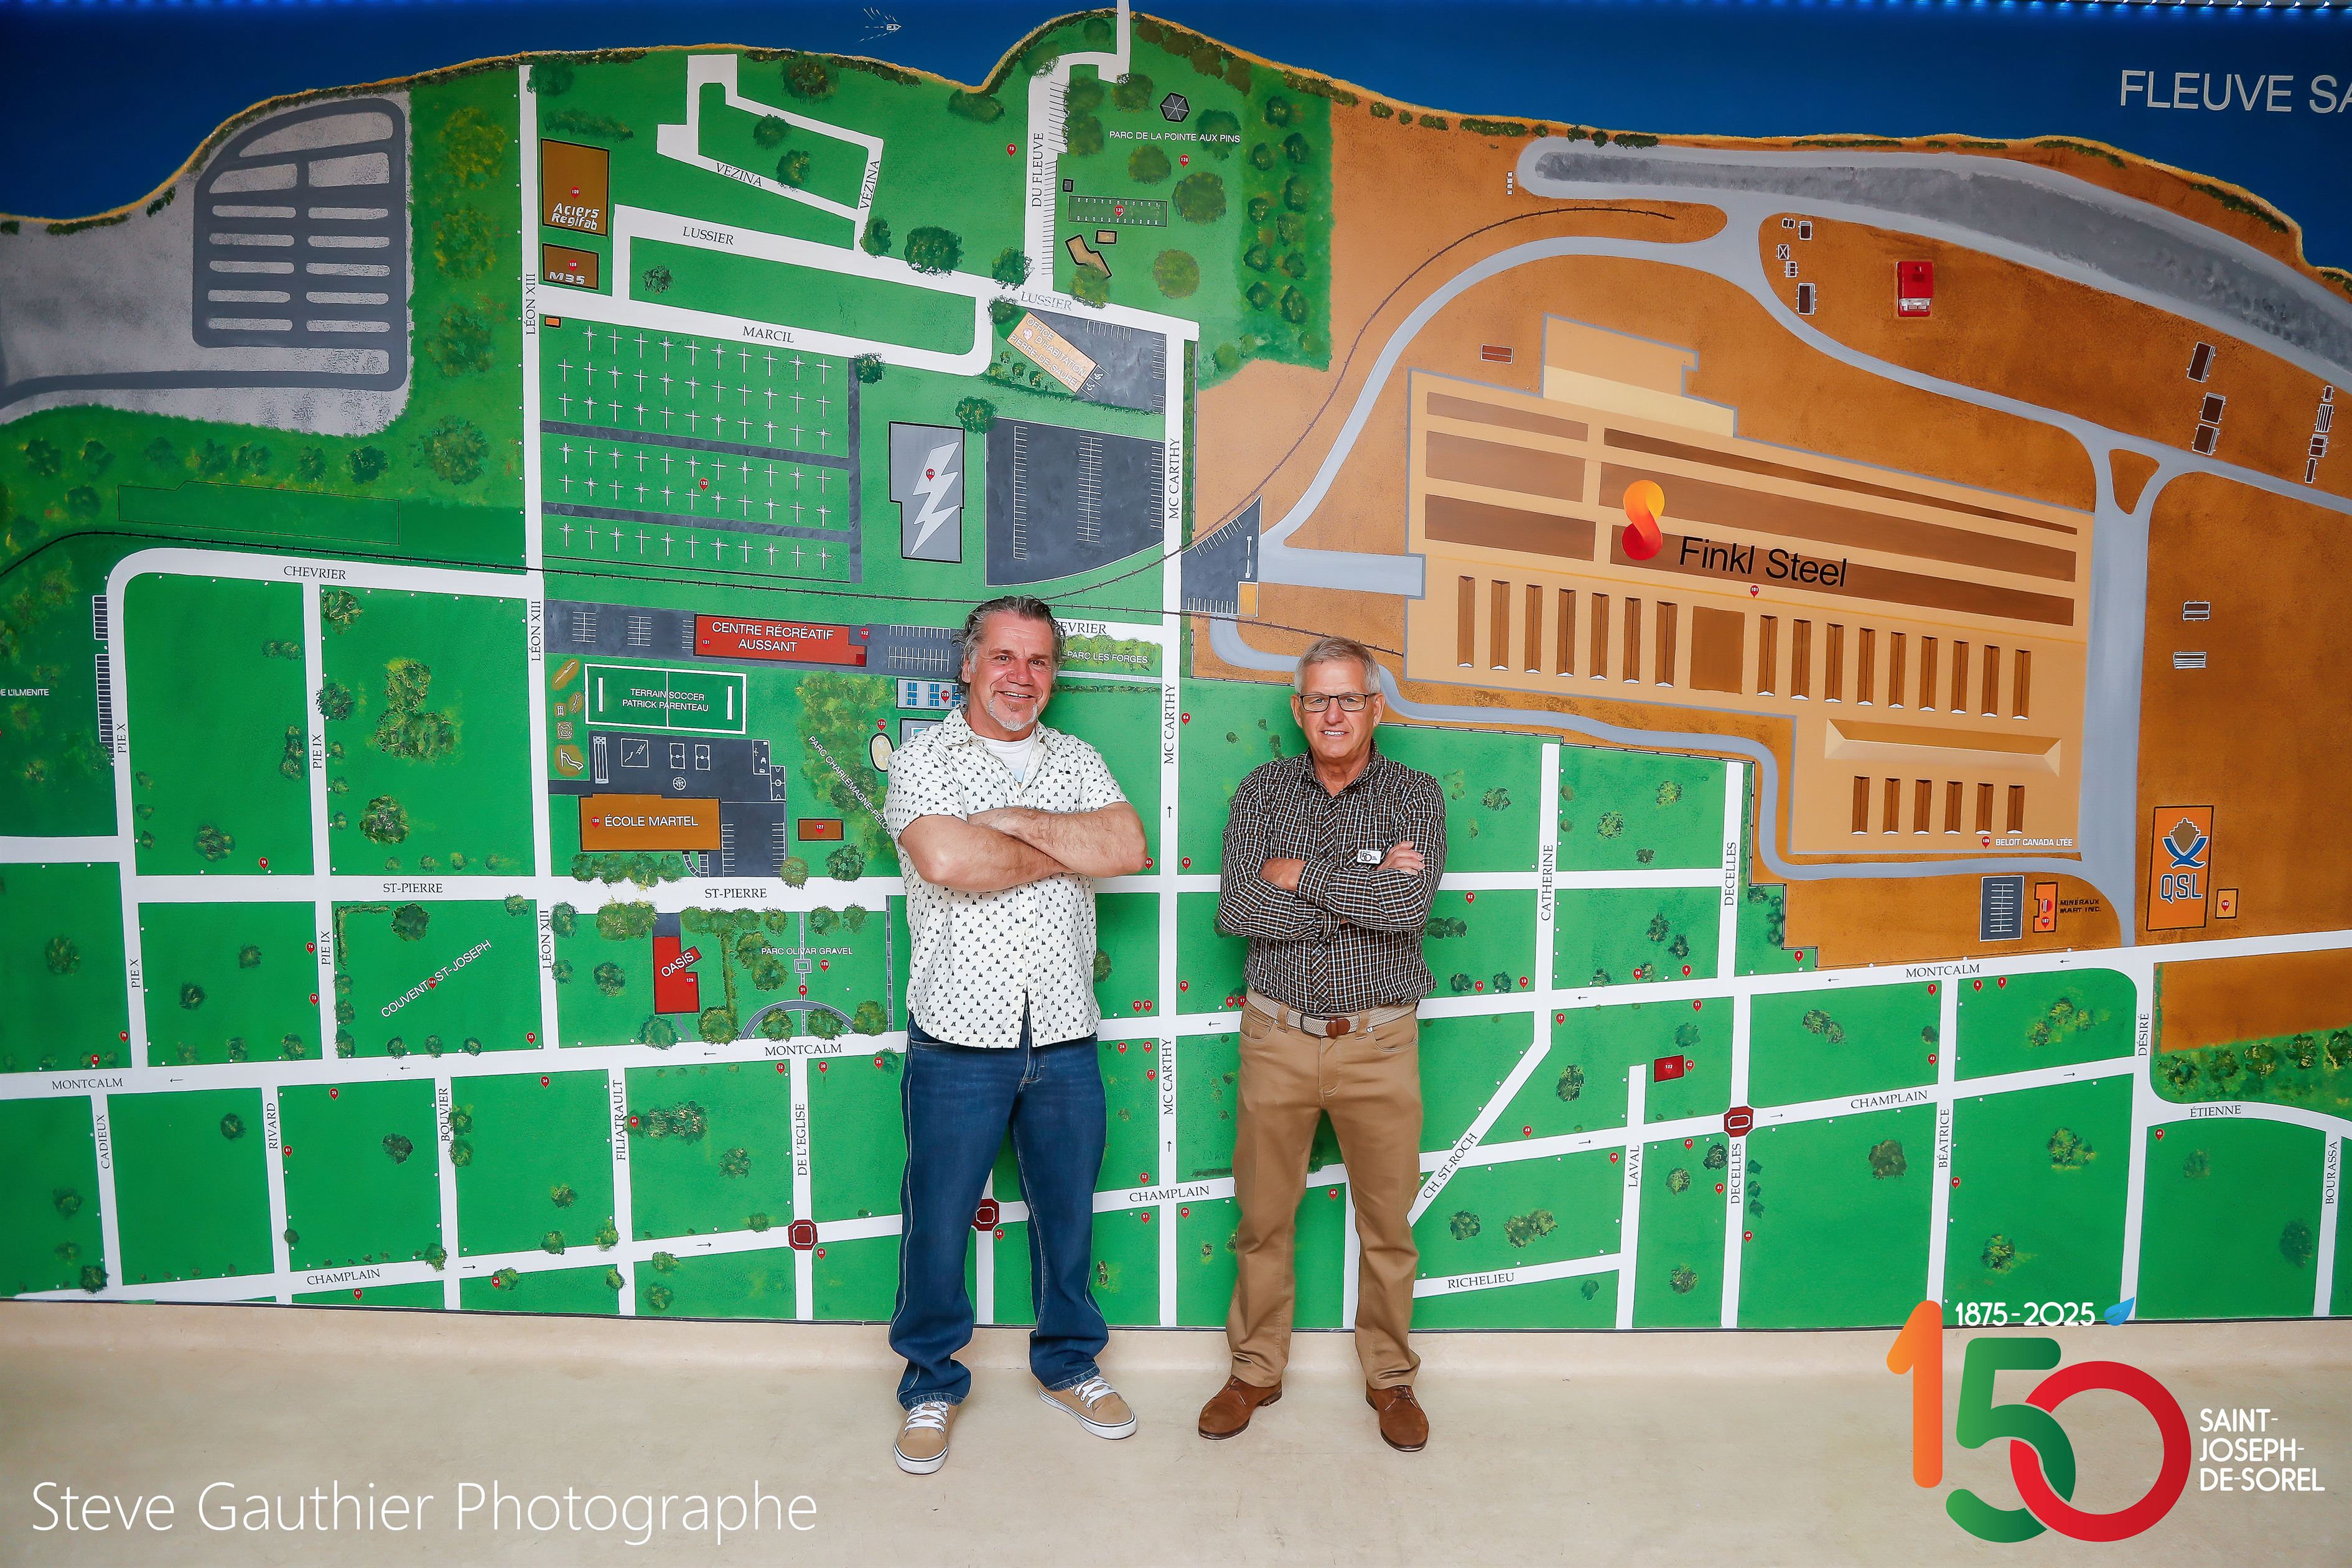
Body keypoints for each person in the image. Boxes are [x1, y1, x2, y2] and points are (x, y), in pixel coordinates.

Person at [881, 594, 1150, 1475]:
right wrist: (1065, 849)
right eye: (1003, 657)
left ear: (1052, 676)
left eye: (1037, 661)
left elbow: (1127, 848)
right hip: (957, 1038)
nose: (1020, 677)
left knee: (1068, 1219)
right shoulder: (925, 760)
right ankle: (929, 1382)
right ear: (969, 665)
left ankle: (1069, 1364)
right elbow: (947, 860)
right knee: (938, 1222)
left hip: (1064, 1031)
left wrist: (1015, 829)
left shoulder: (1079, 759)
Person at [1197, 634, 1447, 1454]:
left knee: (1388, 1224)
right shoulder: (1262, 790)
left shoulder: (1415, 795)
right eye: (1317, 699)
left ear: (1375, 708)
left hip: (1380, 1040)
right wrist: (1365, 885)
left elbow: (1407, 911)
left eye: (1348, 698)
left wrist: (1300, 875)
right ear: (1297, 709)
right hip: (1277, 1035)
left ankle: (1391, 1377)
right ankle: (1254, 1370)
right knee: (1263, 1219)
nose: (1332, 713)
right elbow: (1238, 909)